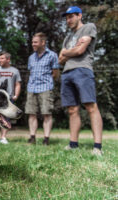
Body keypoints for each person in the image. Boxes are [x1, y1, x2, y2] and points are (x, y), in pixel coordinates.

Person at [59, 6, 103, 155]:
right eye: (66, 18)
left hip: (83, 70)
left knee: (91, 106)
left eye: (71, 16)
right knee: (72, 110)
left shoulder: (89, 27)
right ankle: (73, 144)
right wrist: (69, 51)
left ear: (79, 15)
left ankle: (97, 147)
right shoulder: (68, 37)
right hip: (66, 73)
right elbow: (60, 59)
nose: (68, 20)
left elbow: (80, 51)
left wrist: (68, 52)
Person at [25, 32, 59, 145]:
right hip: (32, 88)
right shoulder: (31, 57)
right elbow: (31, 72)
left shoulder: (52, 55)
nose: (33, 44)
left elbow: (55, 73)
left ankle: (46, 139)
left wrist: (47, 82)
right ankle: (32, 137)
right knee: (31, 113)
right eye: (32, 42)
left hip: (46, 88)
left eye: (35, 42)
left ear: (43, 42)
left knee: (47, 113)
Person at [0, 51, 21, 145]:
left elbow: (17, 84)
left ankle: (3, 138)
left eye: (2, 58)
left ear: (8, 59)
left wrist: (16, 95)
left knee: (6, 118)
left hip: (8, 98)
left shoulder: (14, 71)